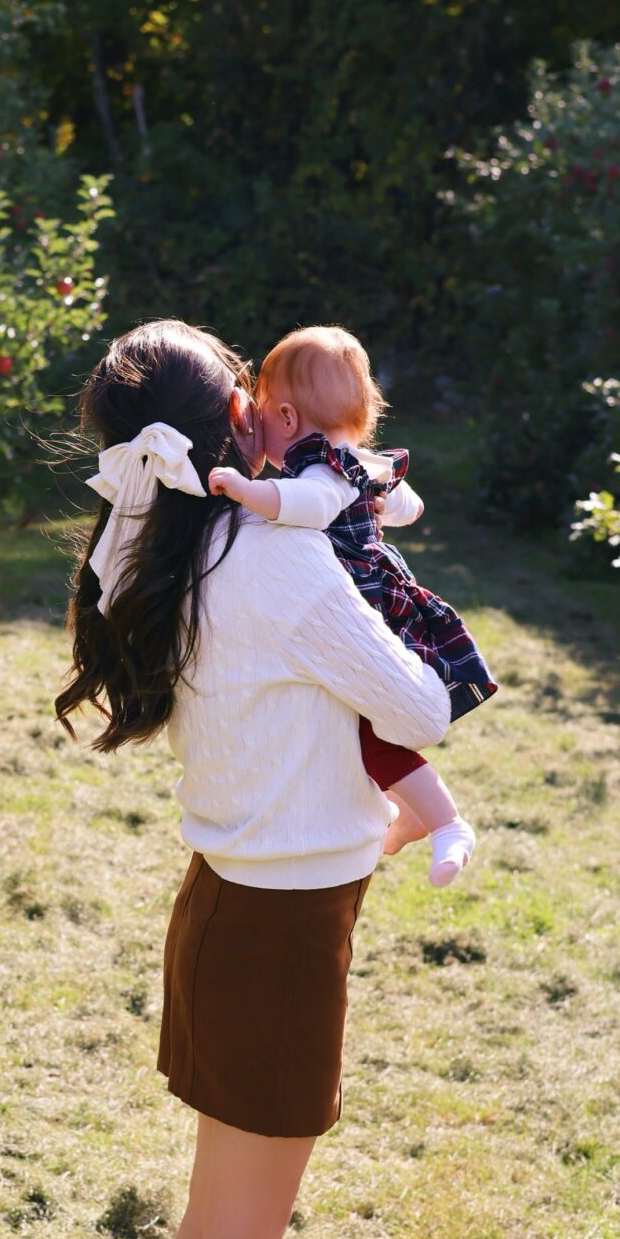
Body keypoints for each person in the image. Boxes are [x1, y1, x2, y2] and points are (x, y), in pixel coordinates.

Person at [55, 317, 453, 1239]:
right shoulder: (273, 556)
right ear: (236, 414)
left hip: (227, 899)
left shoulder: (151, 546)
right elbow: (421, 708)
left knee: (210, 1231)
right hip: (276, 933)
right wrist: (363, 551)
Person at [208, 323, 496, 887]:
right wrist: (378, 505)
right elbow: (409, 507)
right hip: (380, 589)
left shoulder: (318, 469)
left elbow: (310, 505)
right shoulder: (359, 462)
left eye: (260, 415)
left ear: (287, 419)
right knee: (365, 730)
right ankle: (420, 814)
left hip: (362, 599)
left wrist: (244, 490)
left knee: (369, 733)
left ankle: (445, 822)